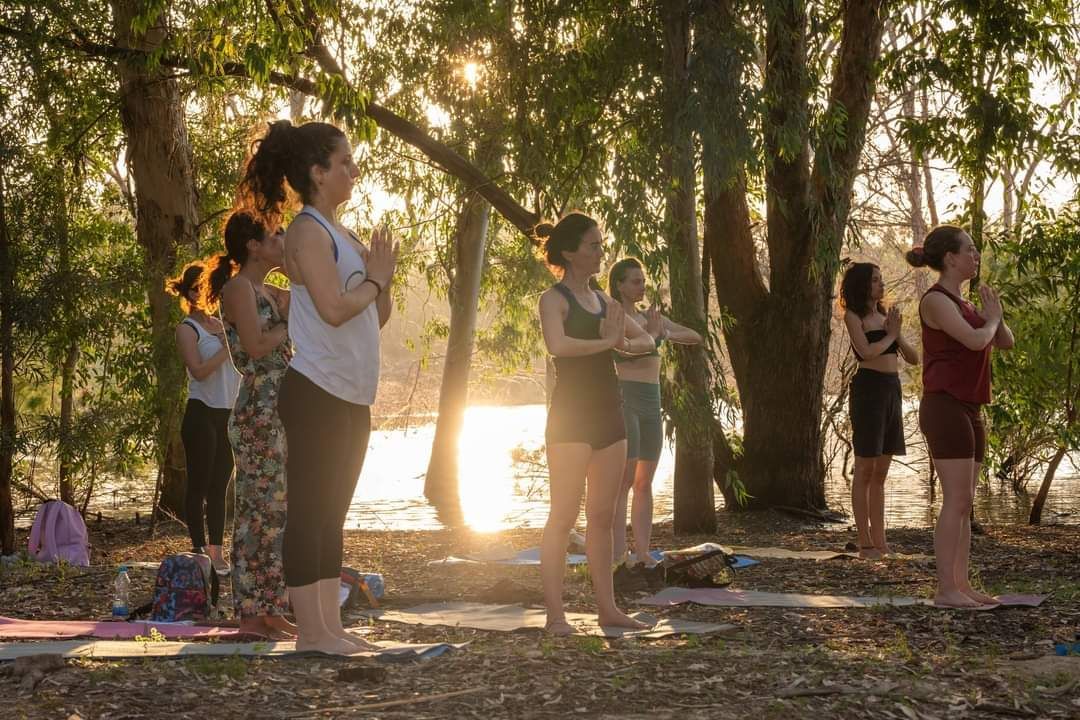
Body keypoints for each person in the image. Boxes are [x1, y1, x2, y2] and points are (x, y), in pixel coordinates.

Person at [239, 119, 397, 654]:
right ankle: (311, 634)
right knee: (310, 512)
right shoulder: (308, 231)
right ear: (317, 171)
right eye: (345, 163)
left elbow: (370, 318)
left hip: (353, 395)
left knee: (334, 514)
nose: (354, 171)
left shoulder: (345, 234)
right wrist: (374, 280)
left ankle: (331, 628)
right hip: (315, 392)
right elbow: (331, 310)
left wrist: (384, 281)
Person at [536, 213, 657, 636]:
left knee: (603, 517)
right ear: (569, 252)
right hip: (571, 417)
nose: (600, 252)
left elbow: (636, 340)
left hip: (610, 413)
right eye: (593, 246)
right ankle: (556, 616)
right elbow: (558, 345)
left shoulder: (605, 303)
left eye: (602, 245)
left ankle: (608, 610)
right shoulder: (553, 299)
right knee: (563, 516)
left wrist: (639, 337)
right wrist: (610, 342)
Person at [906, 226, 1013, 608]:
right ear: (950, 258)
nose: (976, 255)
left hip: (970, 407)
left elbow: (1004, 340)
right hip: (944, 405)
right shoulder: (935, 301)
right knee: (956, 500)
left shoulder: (965, 305)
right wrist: (990, 320)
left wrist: (992, 316)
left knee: (966, 502)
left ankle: (961, 584)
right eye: (970, 250)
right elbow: (975, 341)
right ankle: (945, 589)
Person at [204, 210, 296, 639]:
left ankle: (273, 606)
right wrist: (286, 322)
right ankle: (249, 613)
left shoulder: (268, 288)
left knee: (276, 511)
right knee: (254, 512)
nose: (283, 239)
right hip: (257, 404)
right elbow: (257, 347)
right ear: (253, 245)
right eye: (276, 234)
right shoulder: (239, 288)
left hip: (280, 403)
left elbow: (307, 290)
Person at [606, 258, 701, 568]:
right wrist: (655, 337)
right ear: (619, 284)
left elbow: (695, 336)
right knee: (624, 482)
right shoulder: (616, 317)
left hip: (651, 402)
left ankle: (643, 551)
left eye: (642, 280)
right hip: (626, 400)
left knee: (645, 482)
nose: (641, 286)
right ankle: (619, 553)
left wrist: (664, 332)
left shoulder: (650, 318)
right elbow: (622, 351)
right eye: (635, 281)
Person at [839, 262, 919, 559]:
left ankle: (881, 541)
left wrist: (896, 334)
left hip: (892, 389)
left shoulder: (886, 319)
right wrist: (890, 335)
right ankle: (865, 542)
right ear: (862, 285)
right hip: (868, 390)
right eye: (875, 280)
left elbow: (913, 359)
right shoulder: (853, 317)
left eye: (881, 279)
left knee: (881, 471)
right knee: (865, 468)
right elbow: (865, 352)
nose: (880, 284)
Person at [168, 261, 240, 575]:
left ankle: (217, 552)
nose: (203, 292)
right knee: (199, 484)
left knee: (220, 486)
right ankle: (198, 550)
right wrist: (226, 351)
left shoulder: (223, 324)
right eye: (196, 287)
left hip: (228, 413)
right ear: (188, 292)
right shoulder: (187, 328)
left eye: (206, 286)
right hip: (201, 412)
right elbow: (197, 370)